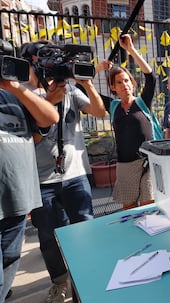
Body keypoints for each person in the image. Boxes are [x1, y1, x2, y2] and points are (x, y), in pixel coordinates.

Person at [20, 40, 106, 303]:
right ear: (31, 63)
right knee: (48, 237)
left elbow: (100, 112)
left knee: (85, 230)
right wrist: (47, 102)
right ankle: (60, 282)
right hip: (41, 180)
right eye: (42, 59)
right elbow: (28, 139)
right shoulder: (23, 93)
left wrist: (87, 83)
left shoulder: (71, 90)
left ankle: (87, 282)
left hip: (75, 176)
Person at [0, 75, 59, 301]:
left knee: (8, 267)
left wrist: (16, 88)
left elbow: (50, 117)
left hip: (16, 200)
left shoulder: (15, 95)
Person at [105, 34, 157, 210]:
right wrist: (98, 69)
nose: (124, 85)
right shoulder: (112, 106)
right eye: (118, 82)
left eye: (126, 81)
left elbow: (151, 78)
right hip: (125, 164)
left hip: (148, 161)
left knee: (149, 206)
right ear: (112, 87)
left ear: (132, 83)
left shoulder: (142, 102)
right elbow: (83, 88)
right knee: (129, 209)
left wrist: (131, 50)